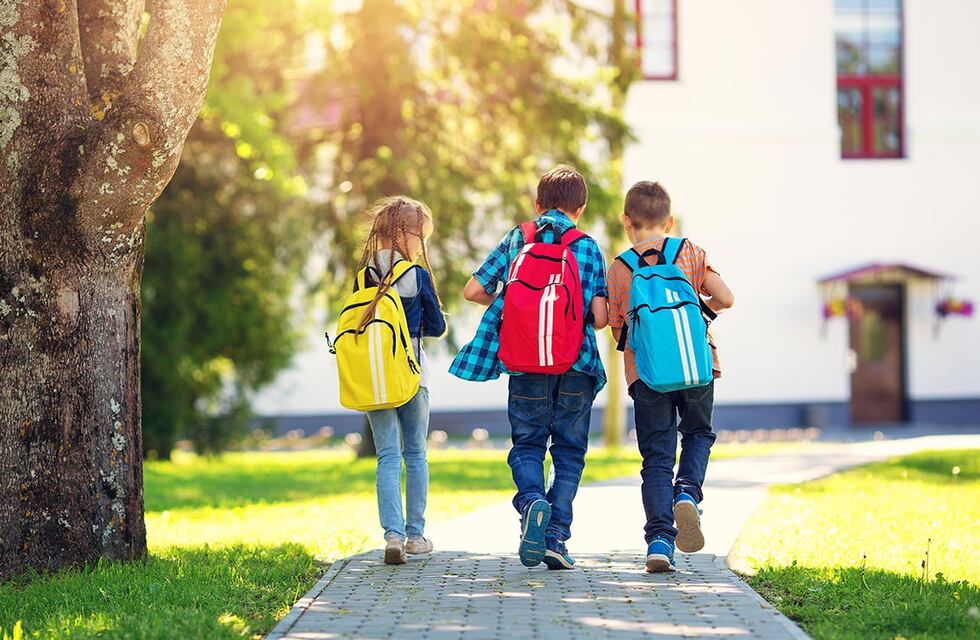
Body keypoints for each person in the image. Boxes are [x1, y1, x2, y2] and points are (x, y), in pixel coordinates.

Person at [452, 165, 608, 570]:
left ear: (537, 204)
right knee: (570, 452)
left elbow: (473, 291)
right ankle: (556, 536)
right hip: (577, 362)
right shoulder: (588, 246)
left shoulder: (517, 238)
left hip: (525, 363)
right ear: (582, 208)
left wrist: (518, 308)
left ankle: (532, 502)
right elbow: (602, 316)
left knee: (527, 445)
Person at [606, 181, 735, 572]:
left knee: (657, 457)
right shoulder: (690, 252)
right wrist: (699, 311)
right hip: (697, 366)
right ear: (670, 220)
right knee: (697, 434)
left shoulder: (620, 268)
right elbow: (726, 298)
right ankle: (688, 494)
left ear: (626, 221)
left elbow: (616, 331)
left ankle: (660, 541)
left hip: (647, 374)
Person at [355, 196, 447, 565]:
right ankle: (415, 535)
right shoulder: (415, 275)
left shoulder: (364, 275)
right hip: (411, 375)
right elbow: (437, 327)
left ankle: (391, 536)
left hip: (374, 377)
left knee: (387, 456)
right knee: (416, 453)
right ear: (409, 236)